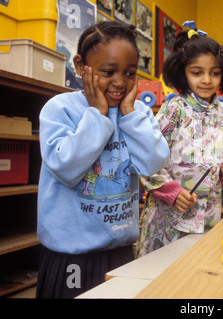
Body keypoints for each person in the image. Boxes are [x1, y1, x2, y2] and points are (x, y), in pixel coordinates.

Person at [36, 21, 169, 298]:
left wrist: (130, 113)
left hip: (120, 249)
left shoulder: (137, 114)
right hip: (72, 255)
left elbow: (152, 162)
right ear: (80, 65)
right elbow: (66, 167)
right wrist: (97, 114)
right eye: (108, 72)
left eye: (129, 73)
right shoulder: (60, 109)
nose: (120, 82)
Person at [137, 21, 223, 256]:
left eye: (214, 73)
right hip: (169, 217)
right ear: (182, 72)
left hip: (207, 216)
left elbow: (218, 158)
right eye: (197, 72)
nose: (207, 80)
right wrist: (172, 192)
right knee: (159, 281)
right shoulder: (174, 109)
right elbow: (148, 158)